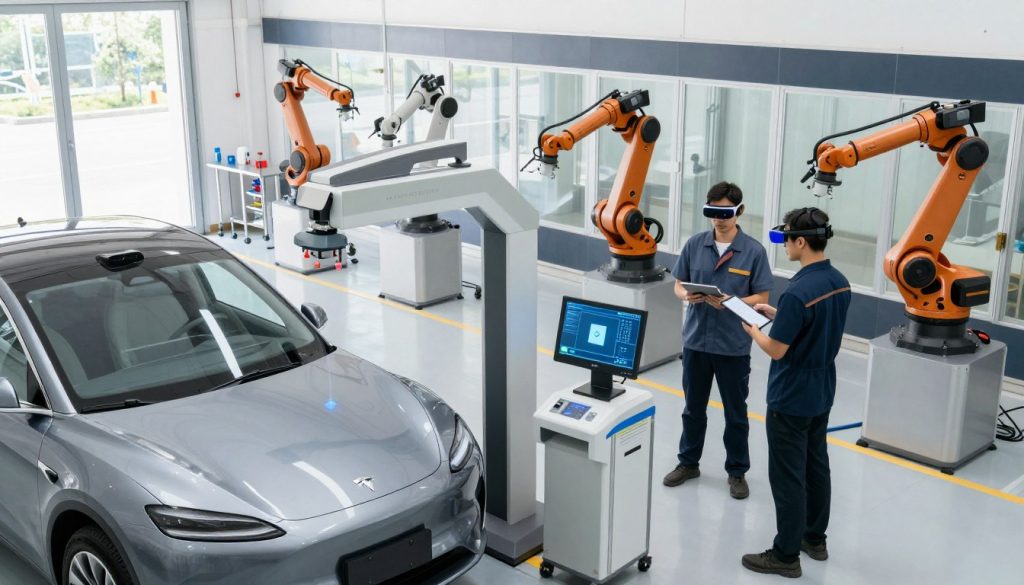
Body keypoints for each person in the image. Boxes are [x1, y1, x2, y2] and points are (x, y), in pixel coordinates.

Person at [739, 207, 851, 578]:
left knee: (787, 476)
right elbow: (811, 328)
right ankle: (814, 538)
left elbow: (776, 349)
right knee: (816, 465)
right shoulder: (839, 282)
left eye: (786, 238)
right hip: (822, 387)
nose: (784, 244)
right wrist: (778, 313)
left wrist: (753, 329)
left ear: (801, 241)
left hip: (791, 395)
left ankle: (786, 555)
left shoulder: (798, 292)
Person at [662, 182, 774, 500]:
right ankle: (689, 463)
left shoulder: (753, 251)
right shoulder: (695, 244)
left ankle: (736, 472)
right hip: (696, 342)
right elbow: (678, 285)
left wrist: (730, 300)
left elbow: (762, 296)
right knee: (692, 409)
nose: (718, 220)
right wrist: (689, 295)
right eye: (712, 212)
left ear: (739, 211)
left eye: (724, 213)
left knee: (735, 413)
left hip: (732, 346)